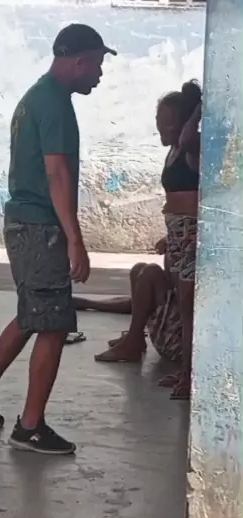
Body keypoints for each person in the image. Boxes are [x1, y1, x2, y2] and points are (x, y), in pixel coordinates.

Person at [0, 24, 116, 454]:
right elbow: (57, 173)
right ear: (79, 62)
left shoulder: (37, 97)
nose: (100, 74)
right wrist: (75, 239)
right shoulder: (55, 104)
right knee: (54, 324)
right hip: (41, 226)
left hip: (25, 222)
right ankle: (30, 426)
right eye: (98, 64)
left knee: (34, 313)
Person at [88, 81, 201, 400]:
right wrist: (170, 235)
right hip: (179, 232)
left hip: (190, 234)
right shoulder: (174, 152)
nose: (161, 128)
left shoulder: (193, 147)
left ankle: (190, 375)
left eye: (169, 123)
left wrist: (198, 109)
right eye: (158, 121)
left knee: (188, 304)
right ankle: (145, 345)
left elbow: (190, 140)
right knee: (160, 283)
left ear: (184, 124)